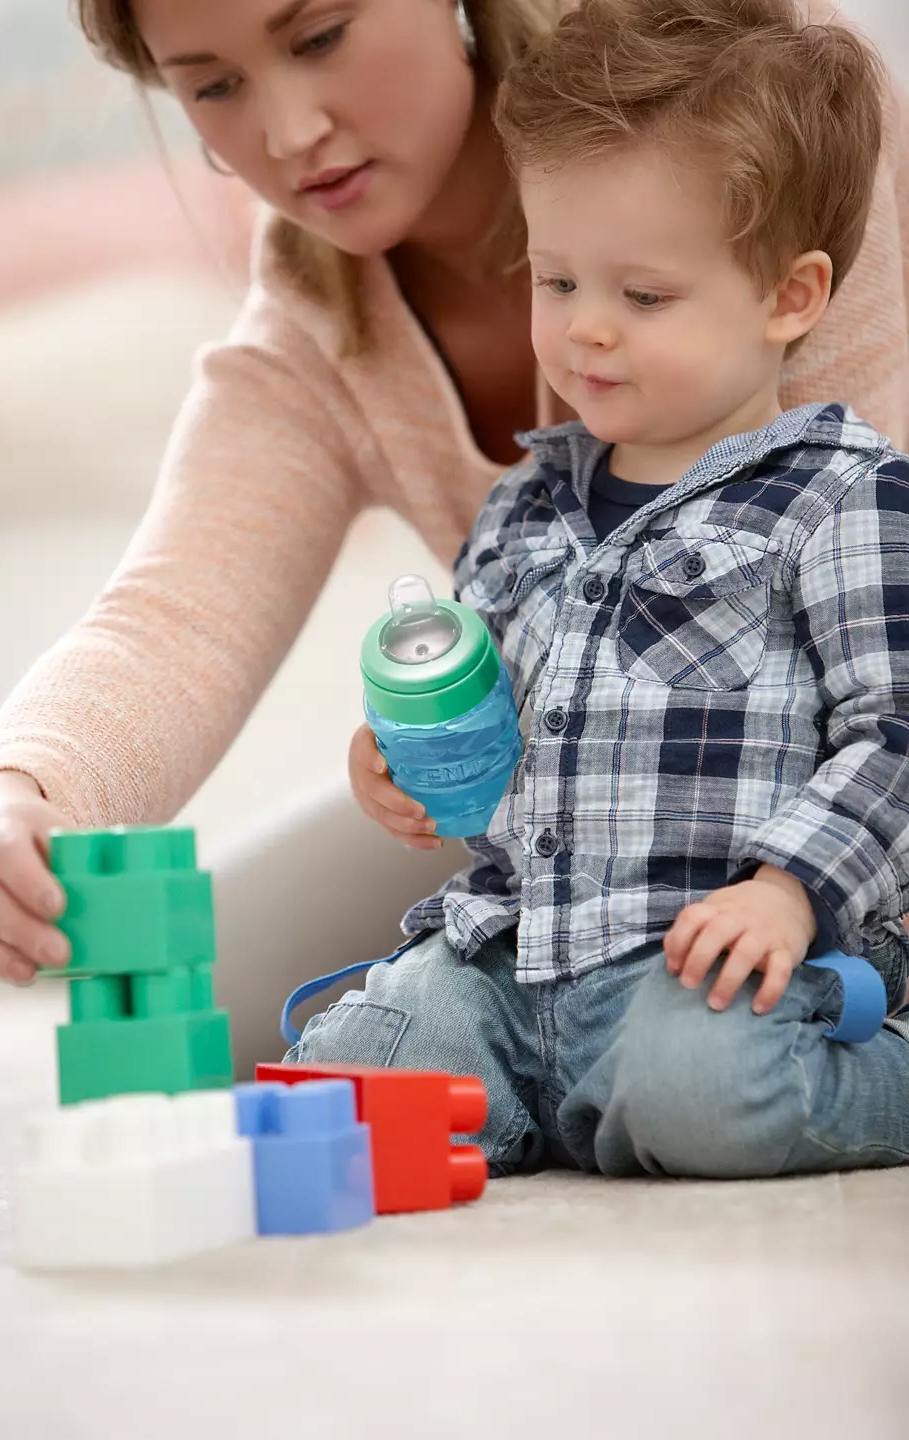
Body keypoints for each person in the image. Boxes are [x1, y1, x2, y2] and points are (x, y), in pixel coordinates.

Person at [0, 0, 906, 1026]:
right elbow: (176, 615)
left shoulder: (747, 110)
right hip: (577, 828)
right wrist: (15, 791)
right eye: (213, 85)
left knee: (698, 1049)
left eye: (319, 37)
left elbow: (875, 629)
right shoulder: (314, 330)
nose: (289, 133)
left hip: (834, 826)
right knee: (193, 1008)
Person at [295, 0, 909, 1179]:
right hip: (514, 954)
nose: (585, 332)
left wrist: (791, 894)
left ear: (789, 297)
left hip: (709, 960)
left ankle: (836, 1072)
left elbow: (896, 729)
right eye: (558, 279)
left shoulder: (842, 497)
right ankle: (559, 1098)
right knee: (362, 1073)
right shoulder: (521, 511)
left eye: (643, 296)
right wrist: (402, 765)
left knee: (705, 1091)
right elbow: (492, 747)